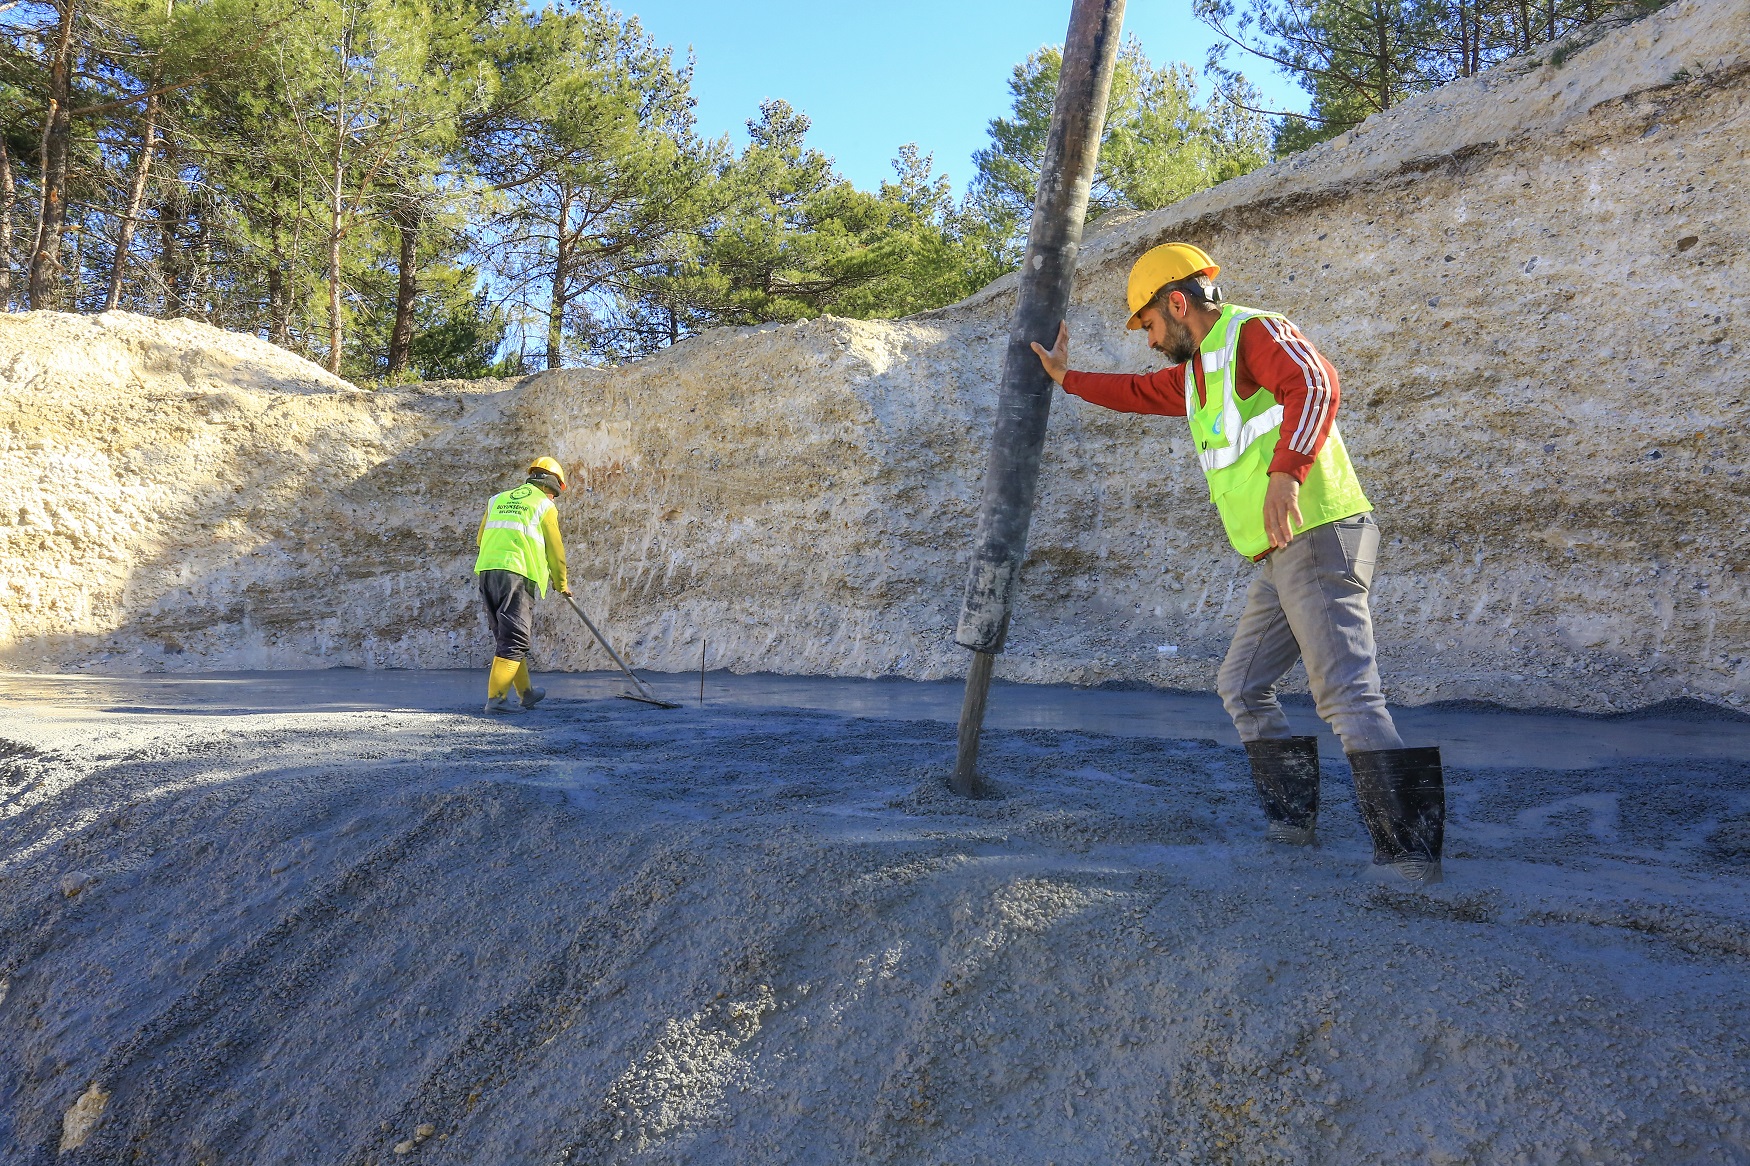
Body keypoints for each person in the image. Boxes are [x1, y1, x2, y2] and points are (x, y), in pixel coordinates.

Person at [1030, 242, 1445, 885]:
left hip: (1320, 532)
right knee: (1242, 684)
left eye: (1147, 325)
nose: (1147, 340)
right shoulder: (1199, 375)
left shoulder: (1252, 331)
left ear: (1177, 302)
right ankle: (1292, 824)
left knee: (1346, 694)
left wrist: (1287, 473)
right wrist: (1065, 378)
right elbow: (1136, 392)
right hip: (1281, 554)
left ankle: (1410, 859)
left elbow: (1314, 382)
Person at [474, 457, 572, 714]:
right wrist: (561, 582)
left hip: (487, 571)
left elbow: (480, 538)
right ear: (553, 485)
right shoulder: (543, 505)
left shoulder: (497, 499)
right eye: (555, 494)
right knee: (515, 637)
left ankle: (526, 694)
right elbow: (555, 549)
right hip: (517, 574)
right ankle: (496, 700)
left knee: (506, 636)